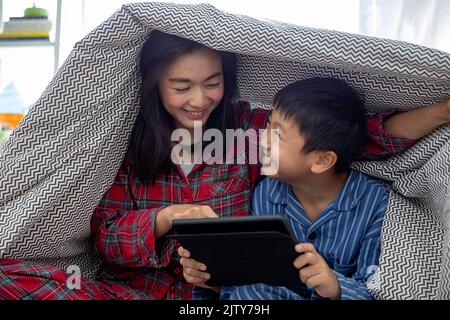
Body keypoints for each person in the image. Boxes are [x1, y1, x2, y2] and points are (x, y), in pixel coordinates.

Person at [0, 30, 449, 300]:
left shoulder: (248, 132)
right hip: (137, 291)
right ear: (156, 85)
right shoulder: (131, 144)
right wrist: (164, 219)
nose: (199, 100)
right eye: (181, 87)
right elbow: (105, 240)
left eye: (212, 83)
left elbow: (338, 139)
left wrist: (441, 111)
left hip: (225, 295)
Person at [179, 78, 392, 300]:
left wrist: (335, 286)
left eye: (278, 134)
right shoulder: (265, 194)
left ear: (321, 161)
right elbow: (254, 275)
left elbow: (377, 288)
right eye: (268, 126)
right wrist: (214, 280)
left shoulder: (375, 203)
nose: (263, 140)